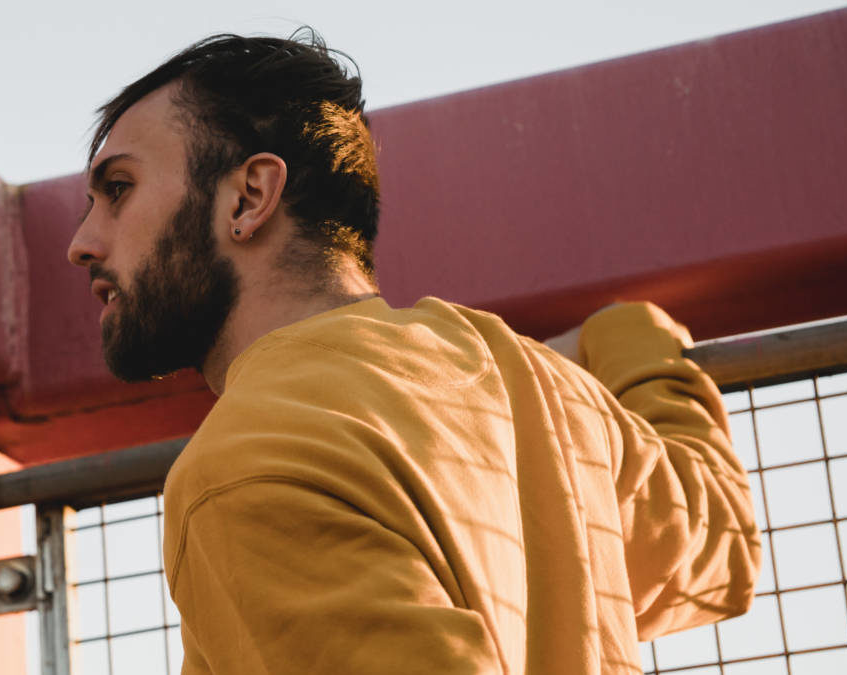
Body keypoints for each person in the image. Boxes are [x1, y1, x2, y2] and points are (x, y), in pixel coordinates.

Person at [65, 30, 761, 674]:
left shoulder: (244, 466)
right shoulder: (531, 381)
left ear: (249, 197)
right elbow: (721, 550)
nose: (82, 243)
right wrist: (630, 334)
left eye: (118, 190)